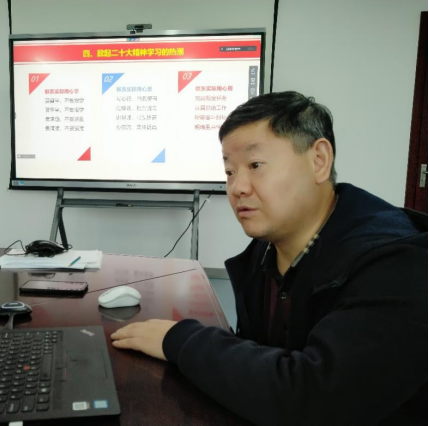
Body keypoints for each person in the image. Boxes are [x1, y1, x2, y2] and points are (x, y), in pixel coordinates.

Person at [111, 91, 428, 426]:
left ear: (319, 161)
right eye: (230, 171)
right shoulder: (265, 251)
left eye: (255, 166)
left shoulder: (397, 265)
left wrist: (182, 340)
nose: (237, 187)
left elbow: (313, 398)